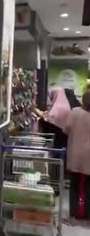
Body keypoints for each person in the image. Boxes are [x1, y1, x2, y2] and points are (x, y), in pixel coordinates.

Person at [64, 90, 90, 220]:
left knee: (74, 183)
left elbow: (66, 128)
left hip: (75, 153)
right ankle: (87, 213)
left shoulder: (74, 112)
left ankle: (74, 213)